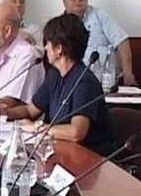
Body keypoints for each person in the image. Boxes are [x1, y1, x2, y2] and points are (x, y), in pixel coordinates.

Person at [7, 13, 115, 155]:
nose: (45, 48)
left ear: (59, 49)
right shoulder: (54, 75)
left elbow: (76, 133)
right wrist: (3, 113)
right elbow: (30, 110)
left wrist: (36, 127)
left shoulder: (84, 81)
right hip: (60, 151)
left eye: (47, 43)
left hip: (89, 156)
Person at [63, 0, 135, 85]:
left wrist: (128, 75)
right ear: (65, 2)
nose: (78, 0)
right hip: (73, 83)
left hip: (106, 83)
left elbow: (122, 42)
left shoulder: (100, 16)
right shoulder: (59, 25)